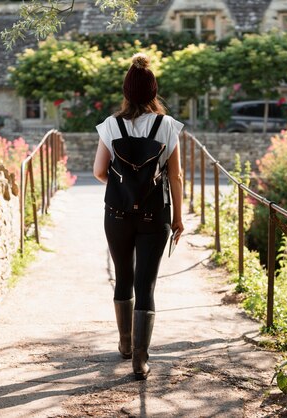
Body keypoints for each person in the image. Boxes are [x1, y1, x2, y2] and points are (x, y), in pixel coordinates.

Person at [93, 53, 184, 380]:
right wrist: (178, 218)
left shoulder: (111, 126)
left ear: (126, 92)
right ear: (153, 91)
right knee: (146, 284)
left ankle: (125, 343)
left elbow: (99, 171)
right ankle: (140, 361)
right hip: (154, 215)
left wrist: (125, 185)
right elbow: (176, 177)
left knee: (123, 277)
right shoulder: (168, 126)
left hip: (116, 214)